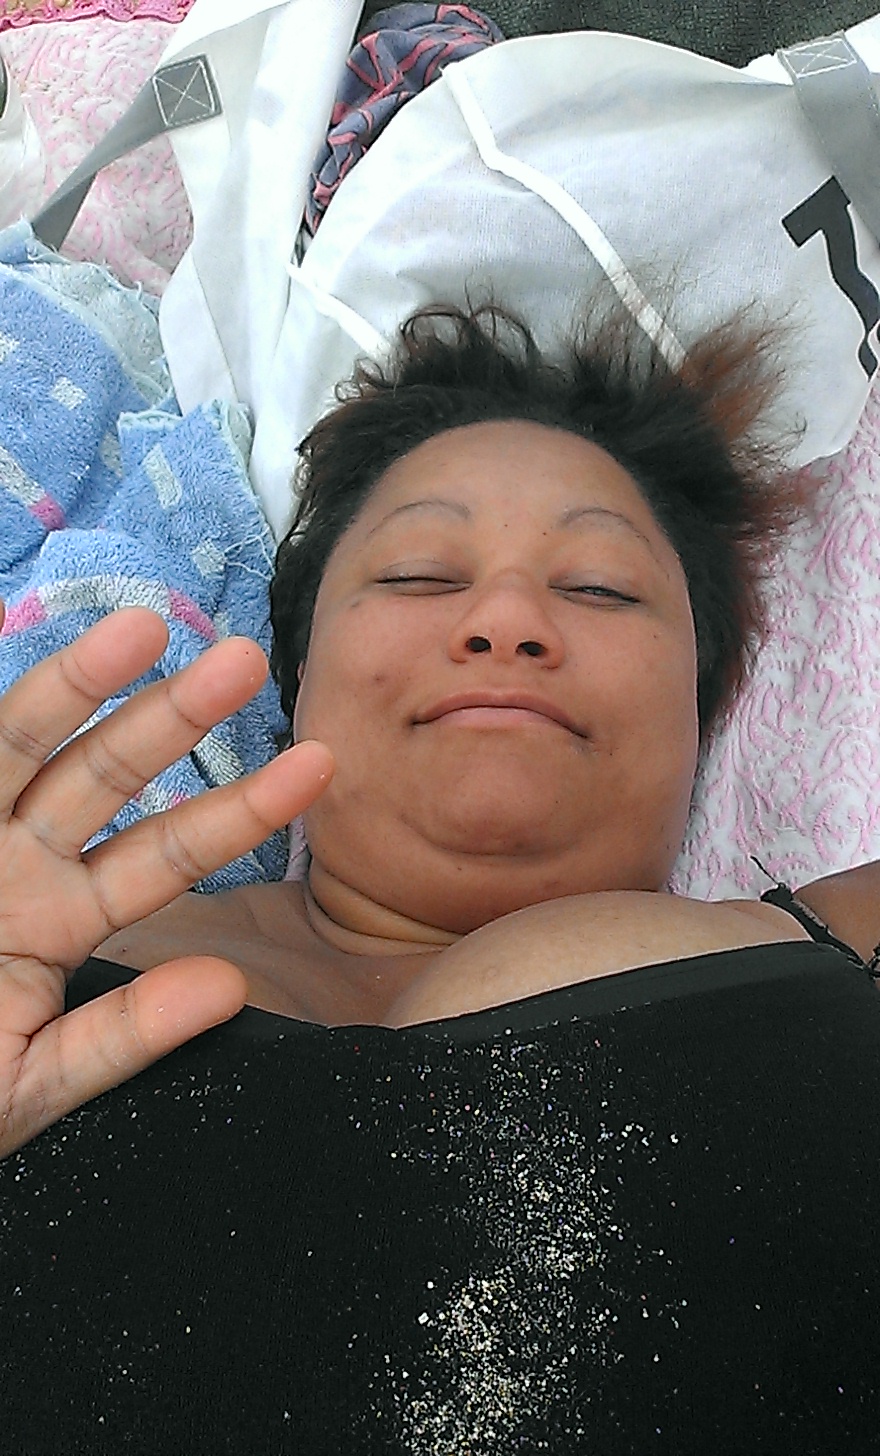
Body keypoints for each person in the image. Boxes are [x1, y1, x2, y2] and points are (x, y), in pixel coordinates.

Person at [1, 301, 879, 1452]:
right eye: (418, 574)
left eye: (601, 588)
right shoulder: (28, 969)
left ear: (699, 710)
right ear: (300, 677)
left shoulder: (849, 936)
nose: (506, 619)